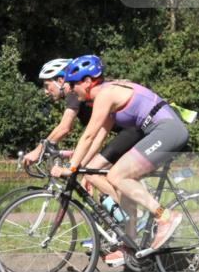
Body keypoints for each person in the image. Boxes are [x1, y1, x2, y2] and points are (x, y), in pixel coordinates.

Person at [50, 55, 189, 267]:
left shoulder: (106, 95)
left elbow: (87, 135)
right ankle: (131, 245)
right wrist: (82, 167)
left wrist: (71, 168)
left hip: (167, 130)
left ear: (87, 82)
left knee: (117, 175)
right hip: (161, 131)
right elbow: (98, 138)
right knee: (115, 179)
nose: (71, 89)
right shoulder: (106, 97)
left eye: (73, 84)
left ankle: (165, 216)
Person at [22, 58, 145, 187]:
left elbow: (64, 128)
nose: (45, 91)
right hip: (128, 131)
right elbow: (98, 134)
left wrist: (38, 151)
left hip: (132, 130)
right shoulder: (79, 94)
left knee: (97, 176)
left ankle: (128, 206)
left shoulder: (75, 93)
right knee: (92, 173)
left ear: (60, 81)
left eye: (47, 85)